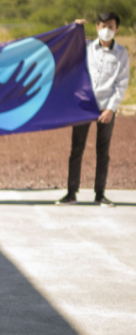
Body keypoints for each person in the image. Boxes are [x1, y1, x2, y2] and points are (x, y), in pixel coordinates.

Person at [58, 13, 130, 207]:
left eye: (111, 26)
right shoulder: (86, 47)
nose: (107, 29)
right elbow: (67, 47)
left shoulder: (121, 53)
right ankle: (71, 194)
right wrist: (73, 28)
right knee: (76, 149)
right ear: (97, 27)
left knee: (103, 151)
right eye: (103, 25)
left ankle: (100, 195)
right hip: (84, 106)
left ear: (117, 29)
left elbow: (121, 83)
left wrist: (111, 109)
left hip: (106, 107)